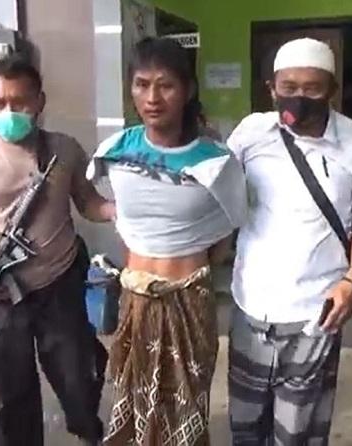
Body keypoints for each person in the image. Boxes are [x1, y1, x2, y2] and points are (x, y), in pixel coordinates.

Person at [0, 55, 114, 446]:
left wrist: (122, 209)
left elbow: (89, 203)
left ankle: (88, 433)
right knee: (8, 394)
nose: (9, 112)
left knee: (79, 379)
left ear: (40, 101)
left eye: (20, 102)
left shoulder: (64, 150)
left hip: (60, 285)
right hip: (0, 294)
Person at [226, 37, 352, 445]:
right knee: (245, 425)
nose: (299, 98)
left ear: (332, 89)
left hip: (315, 311)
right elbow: (219, 194)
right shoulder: (251, 133)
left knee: (297, 431)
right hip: (250, 303)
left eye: (312, 89)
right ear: (272, 89)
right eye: (289, 87)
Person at [87, 37, 247, 445]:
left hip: (189, 304)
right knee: (134, 407)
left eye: (166, 85)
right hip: (134, 301)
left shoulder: (216, 161)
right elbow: (121, 215)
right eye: (141, 85)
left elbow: (227, 230)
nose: (152, 98)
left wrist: (189, 269)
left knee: (184, 412)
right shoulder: (115, 151)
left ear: (188, 89)